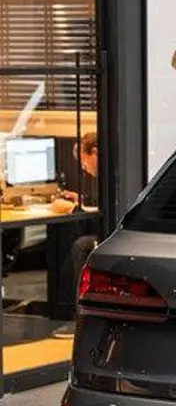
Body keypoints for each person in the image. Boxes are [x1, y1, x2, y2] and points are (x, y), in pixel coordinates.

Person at [51, 132, 100, 339]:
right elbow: (97, 203)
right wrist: (80, 199)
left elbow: (102, 212)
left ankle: (79, 318)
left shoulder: (109, 174)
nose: (83, 167)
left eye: (83, 160)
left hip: (109, 235)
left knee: (80, 246)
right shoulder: (103, 177)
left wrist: (72, 208)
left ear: (95, 153)